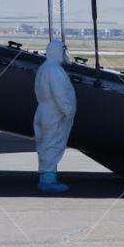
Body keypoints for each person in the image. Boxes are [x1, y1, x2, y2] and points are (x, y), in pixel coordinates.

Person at [33, 38, 76, 194]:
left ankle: (46, 176)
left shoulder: (44, 68)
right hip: (54, 113)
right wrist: (68, 111)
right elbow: (60, 95)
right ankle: (48, 180)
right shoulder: (54, 70)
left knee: (45, 144)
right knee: (52, 144)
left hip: (44, 111)